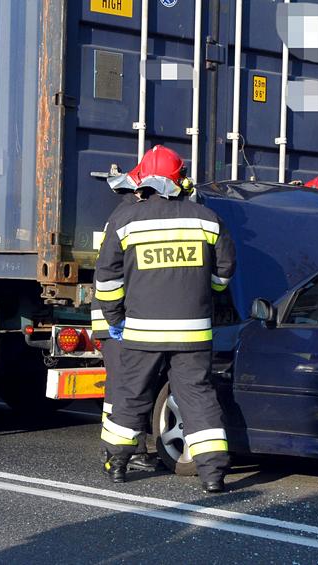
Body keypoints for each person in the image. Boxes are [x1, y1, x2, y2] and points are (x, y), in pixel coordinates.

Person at [95, 145, 236, 492]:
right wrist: (209, 295)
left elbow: (107, 279)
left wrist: (115, 318)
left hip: (141, 332)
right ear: (179, 179)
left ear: (142, 181)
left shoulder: (124, 220)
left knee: (131, 395)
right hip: (193, 333)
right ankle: (213, 476)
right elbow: (224, 271)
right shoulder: (206, 218)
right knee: (198, 398)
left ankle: (117, 463)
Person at [92, 162, 160, 473]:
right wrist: (116, 318)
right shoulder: (129, 215)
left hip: (119, 314)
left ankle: (128, 449)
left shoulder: (128, 212)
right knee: (122, 387)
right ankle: (121, 452)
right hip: (116, 316)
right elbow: (112, 274)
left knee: (126, 385)